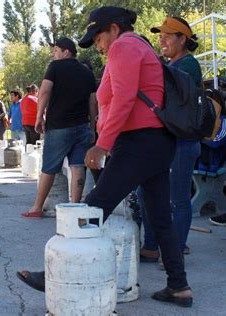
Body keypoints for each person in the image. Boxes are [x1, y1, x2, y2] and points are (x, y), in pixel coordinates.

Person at [17, 7, 193, 308]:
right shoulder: (140, 46)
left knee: (93, 207)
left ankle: (54, 275)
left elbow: (124, 98)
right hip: (156, 142)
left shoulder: (124, 46)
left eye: (98, 37)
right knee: (160, 217)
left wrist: (103, 145)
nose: (98, 45)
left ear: (113, 28)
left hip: (138, 142)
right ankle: (179, 287)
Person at [140, 17, 203, 263]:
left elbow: (162, 88)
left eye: (168, 34)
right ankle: (152, 247)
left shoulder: (188, 65)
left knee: (177, 198)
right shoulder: (169, 64)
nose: (161, 39)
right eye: (160, 34)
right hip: (166, 140)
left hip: (183, 141)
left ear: (183, 39)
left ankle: (175, 251)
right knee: (147, 192)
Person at [20, 37, 96, 218]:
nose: (53, 54)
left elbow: (44, 91)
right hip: (82, 127)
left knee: (49, 168)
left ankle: (37, 208)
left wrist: (39, 117)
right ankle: (75, 208)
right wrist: (92, 127)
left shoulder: (55, 67)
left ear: (66, 52)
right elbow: (93, 101)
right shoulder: (86, 72)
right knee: (77, 166)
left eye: (55, 50)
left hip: (59, 127)